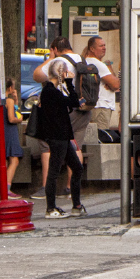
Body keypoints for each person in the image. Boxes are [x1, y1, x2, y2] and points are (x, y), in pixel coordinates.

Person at [31, 37, 94, 192]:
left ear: (55, 49)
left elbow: (37, 75)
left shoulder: (57, 61)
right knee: (75, 146)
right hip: (84, 110)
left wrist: (51, 58)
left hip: (65, 111)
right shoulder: (81, 59)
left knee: (46, 145)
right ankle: (71, 186)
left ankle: (46, 186)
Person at [37, 59, 84, 218]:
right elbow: (74, 101)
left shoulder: (51, 90)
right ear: (61, 73)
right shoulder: (51, 91)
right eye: (66, 72)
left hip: (62, 136)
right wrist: (70, 82)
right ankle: (50, 208)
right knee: (54, 172)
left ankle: (76, 205)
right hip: (57, 137)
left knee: (77, 168)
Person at [0, 78, 25, 198]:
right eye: (13, 87)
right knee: (14, 159)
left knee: (5, 160)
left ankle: (2, 189)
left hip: (3, 131)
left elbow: (14, 110)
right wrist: (20, 119)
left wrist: (16, 99)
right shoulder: (8, 101)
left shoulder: (2, 100)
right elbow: (12, 118)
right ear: (9, 88)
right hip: (10, 131)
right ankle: (6, 188)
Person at [81, 36, 120, 132]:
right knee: (101, 135)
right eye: (101, 46)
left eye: (104, 45)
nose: (104, 48)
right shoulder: (98, 64)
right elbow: (116, 85)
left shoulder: (85, 61)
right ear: (92, 49)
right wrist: (110, 78)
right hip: (101, 107)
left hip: (92, 105)